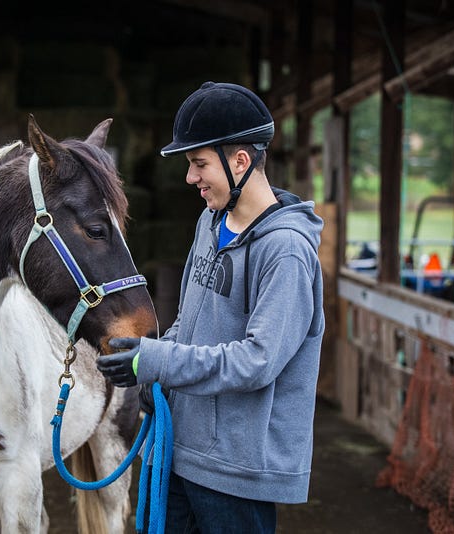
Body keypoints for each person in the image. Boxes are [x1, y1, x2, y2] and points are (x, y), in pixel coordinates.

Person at [96, 81, 324, 533]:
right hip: (180, 449)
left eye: (199, 164)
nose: (190, 178)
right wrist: (153, 369)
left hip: (235, 472)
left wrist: (159, 358)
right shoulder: (210, 222)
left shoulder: (286, 253)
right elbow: (190, 320)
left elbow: (257, 361)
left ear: (241, 161)